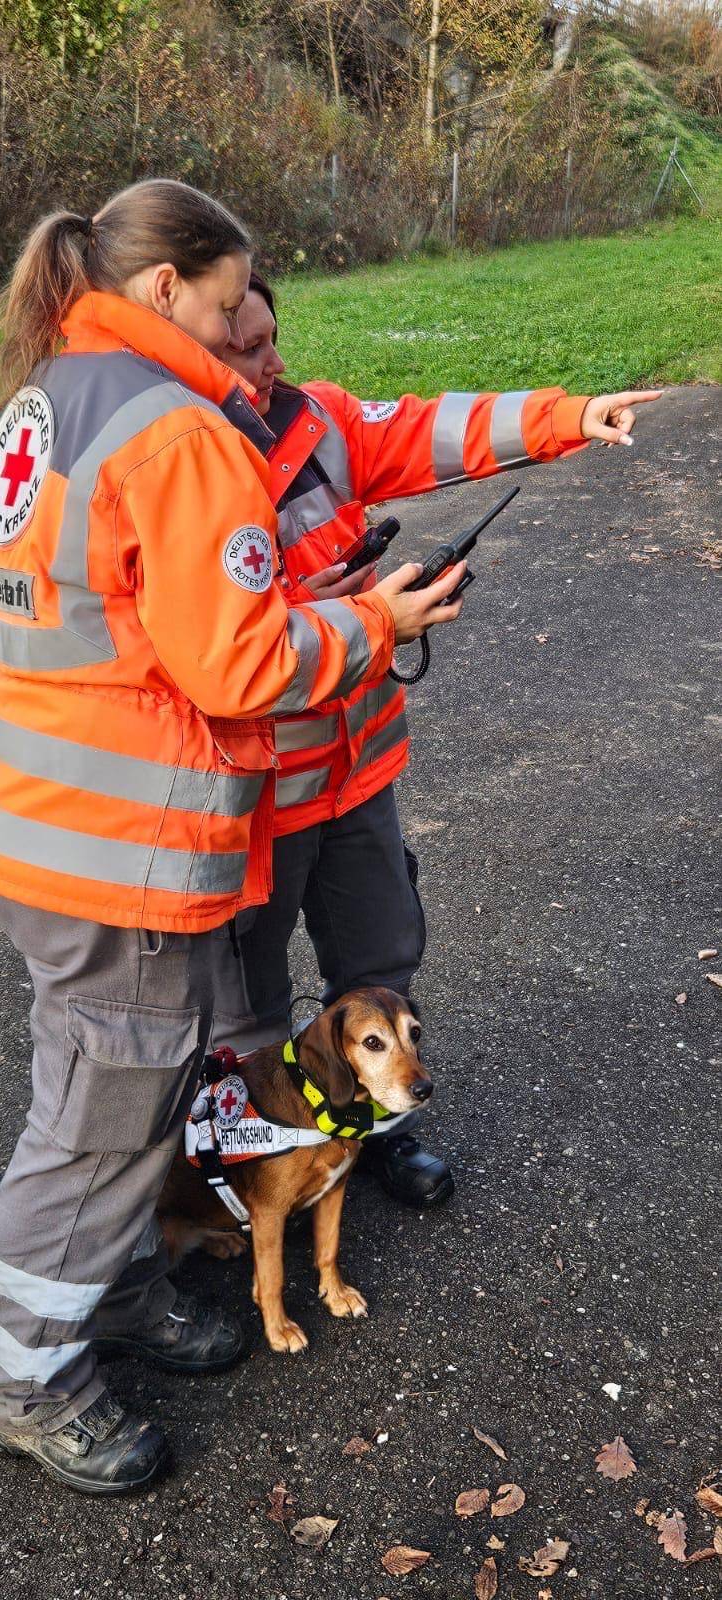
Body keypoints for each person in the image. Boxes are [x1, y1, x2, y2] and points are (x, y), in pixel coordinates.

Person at [0, 180, 465, 1494]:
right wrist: (381, 622)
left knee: (112, 1096)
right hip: (125, 842)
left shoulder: (45, 399)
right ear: (164, 293)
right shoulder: (177, 430)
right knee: (94, 1120)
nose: (245, 320)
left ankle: (125, 1284)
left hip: (43, 817)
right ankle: (22, 1378)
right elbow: (239, 663)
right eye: (228, 296)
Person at [220, 271, 661, 1207]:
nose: (273, 362)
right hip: (253, 794)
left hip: (357, 771)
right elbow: (212, 639)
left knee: (382, 964)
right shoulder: (178, 456)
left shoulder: (315, 417)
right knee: (244, 1005)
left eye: (271, 336)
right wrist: (356, 613)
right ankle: (253, 1171)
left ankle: (378, 1128)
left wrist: (566, 416)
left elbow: (423, 428)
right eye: (246, 347)